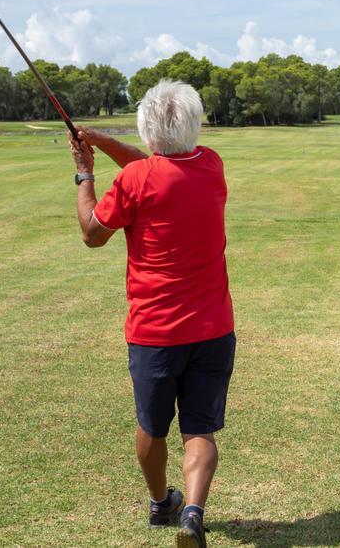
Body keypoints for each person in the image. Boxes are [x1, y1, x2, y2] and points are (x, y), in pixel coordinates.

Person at [68, 80, 235, 548]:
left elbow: (91, 233)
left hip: (154, 333)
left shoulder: (133, 181)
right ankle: (193, 514)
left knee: (151, 427)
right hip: (213, 328)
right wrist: (104, 142)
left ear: (146, 130)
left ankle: (162, 503)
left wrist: (85, 173)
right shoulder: (211, 165)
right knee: (199, 429)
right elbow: (157, 165)